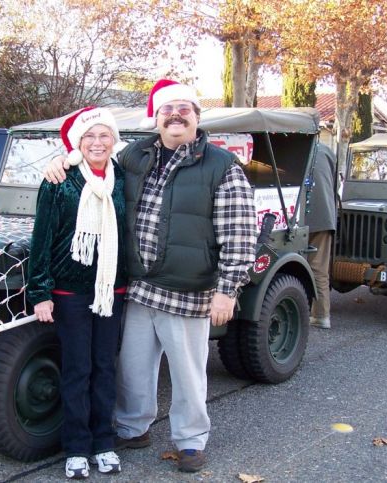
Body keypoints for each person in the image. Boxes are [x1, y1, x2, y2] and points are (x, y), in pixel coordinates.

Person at [44, 79, 257, 472]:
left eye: (184, 110)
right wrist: (61, 160)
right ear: (156, 118)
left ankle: (191, 441)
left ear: (196, 116)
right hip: (139, 286)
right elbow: (95, 161)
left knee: (188, 372)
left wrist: (227, 290)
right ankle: (132, 427)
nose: (175, 116)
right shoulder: (135, 156)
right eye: (167, 110)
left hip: (187, 289)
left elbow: (240, 232)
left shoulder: (222, 166)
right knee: (133, 368)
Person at [27, 106, 128, 479]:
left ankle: (104, 443)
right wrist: (40, 291)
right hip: (71, 293)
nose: (97, 142)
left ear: (114, 141)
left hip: (111, 290)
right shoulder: (60, 180)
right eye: (90, 136)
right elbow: (42, 238)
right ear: (78, 142)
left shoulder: (124, 177)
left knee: (104, 368)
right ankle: (76, 449)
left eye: (104, 135)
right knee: (76, 369)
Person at [305, 143, 337, 329]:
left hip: (297, 213)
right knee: (318, 267)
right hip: (324, 214)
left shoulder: (288, 146)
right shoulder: (326, 150)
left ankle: (316, 314)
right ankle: (321, 315)